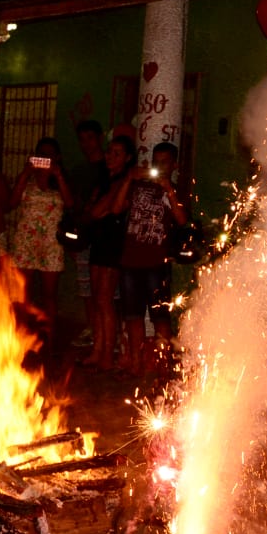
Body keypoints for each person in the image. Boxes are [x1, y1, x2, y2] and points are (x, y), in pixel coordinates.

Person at [115, 140, 188, 376]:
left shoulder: (174, 189)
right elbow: (116, 209)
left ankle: (161, 364)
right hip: (130, 261)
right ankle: (135, 362)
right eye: (156, 162)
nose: (159, 166)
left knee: (160, 317)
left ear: (174, 165)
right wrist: (128, 179)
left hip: (157, 264)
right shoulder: (138, 186)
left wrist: (168, 188)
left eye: (165, 162)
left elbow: (182, 220)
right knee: (133, 315)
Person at [9, 137, 75, 350]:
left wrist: (57, 174)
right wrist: (26, 173)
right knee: (22, 292)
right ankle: (20, 335)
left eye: (49, 154)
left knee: (49, 295)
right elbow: (11, 204)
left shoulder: (60, 180)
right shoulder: (27, 180)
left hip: (51, 243)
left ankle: (49, 339)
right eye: (41, 154)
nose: (45, 158)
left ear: (57, 157)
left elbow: (71, 204)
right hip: (26, 240)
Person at [82, 135, 136, 372]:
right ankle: (97, 349)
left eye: (116, 153)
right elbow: (92, 210)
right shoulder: (104, 179)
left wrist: (100, 209)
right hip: (99, 241)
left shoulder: (125, 182)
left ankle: (107, 354)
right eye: (109, 152)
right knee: (97, 298)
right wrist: (99, 209)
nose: (109, 157)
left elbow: (109, 209)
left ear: (127, 158)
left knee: (105, 300)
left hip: (114, 244)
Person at [67, 120, 110, 349]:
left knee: (105, 292)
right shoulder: (79, 170)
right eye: (82, 139)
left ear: (100, 138)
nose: (86, 144)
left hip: (103, 238)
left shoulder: (109, 167)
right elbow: (73, 204)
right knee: (86, 288)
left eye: (90, 138)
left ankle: (106, 336)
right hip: (83, 236)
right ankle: (93, 329)